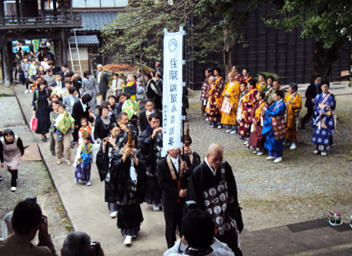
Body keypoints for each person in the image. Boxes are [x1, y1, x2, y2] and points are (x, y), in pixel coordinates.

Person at [187, 143, 243, 255]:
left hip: (226, 216)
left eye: (220, 159)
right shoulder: (198, 173)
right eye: (215, 159)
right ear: (207, 156)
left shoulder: (225, 167)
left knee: (232, 248)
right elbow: (196, 200)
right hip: (209, 220)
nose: (218, 162)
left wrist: (235, 213)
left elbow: (232, 192)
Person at [111, 133, 146, 246]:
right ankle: (127, 233)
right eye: (129, 145)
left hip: (135, 185)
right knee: (125, 208)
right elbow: (114, 168)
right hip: (123, 185)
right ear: (123, 144)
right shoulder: (118, 153)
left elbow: (143, 166)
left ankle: (134, 230)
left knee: (134, 206)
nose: (131, 148)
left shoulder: (137, 153)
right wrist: (125, 156)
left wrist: (135, 158)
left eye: (134, 145)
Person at [164, 209, 235, 256]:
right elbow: (229, 250)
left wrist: (181, 242)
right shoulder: (221, 253)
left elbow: (166, 254)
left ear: (185, 237)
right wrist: (211, 238)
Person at [158, 148, 188, 248]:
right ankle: (171, 248)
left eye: (177, 148)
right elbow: (162, 184)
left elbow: (190, 177)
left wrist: (186, 169)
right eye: (172, 148)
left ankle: (184, 247)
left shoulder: (184, 159)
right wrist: (177, 192)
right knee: (170, 227)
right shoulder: (162, 164)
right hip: (170, 200)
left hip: (183, 200)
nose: (175, 150)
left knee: (183, 226)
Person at [138, 112, 163, 211]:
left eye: (157, 122)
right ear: (149, 122)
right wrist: (152, 136)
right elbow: (142, 145)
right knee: (153, 183)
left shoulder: (162, 132)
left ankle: (162, 200)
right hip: (151, 161)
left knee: (162, 181)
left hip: (161, 159)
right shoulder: (145, 133)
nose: (156, 124)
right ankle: (155, 202)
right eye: (154, 122)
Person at [96, 123, 121, 218]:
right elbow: (101, 156)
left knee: (118, 188)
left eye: (118, 130)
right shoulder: (106, 139)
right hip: (109, 168)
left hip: (118, 168)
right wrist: (104, 146)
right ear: (110, 131)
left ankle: (119, 207)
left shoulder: (122, 139)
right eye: (115, 131)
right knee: (110, 188)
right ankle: (113, 208)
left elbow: (122, 153)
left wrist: (114, 144)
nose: (117, 132)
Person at [311, 81, 336, 156]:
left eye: (326, 87)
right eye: (323, 87)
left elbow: (332, 106)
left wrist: (324, 111)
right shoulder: (318, 96)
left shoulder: (331, 96)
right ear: (321, 87)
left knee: (325, 132)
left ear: (328, 87)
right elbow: (315, 106)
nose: (324, 88)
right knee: (317, 132)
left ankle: (324, 149)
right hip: (318, 116)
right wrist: (319, 111)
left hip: (326, 116)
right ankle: (316, 148)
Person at [261, 90, 286, 163]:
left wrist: (267, 111)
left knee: (277, 140)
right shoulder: (276, 103)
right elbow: (271, 109)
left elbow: (276, 113)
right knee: (270, 138)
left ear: (279, 96)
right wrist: (267, 108)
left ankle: (279, 156)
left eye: (275, 96)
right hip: (272, 123)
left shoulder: (282, 105)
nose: (274, 97)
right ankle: (272, 154)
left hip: (277, 124)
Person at [284, 82, 302, 150]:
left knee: (293, 128)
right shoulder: (287, 95)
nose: (288, 89)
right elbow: (284, 102)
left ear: (294, 89)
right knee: (286, 127)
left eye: (289, 88)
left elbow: (298, 106)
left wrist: (290, 105)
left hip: (293, 115)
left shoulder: (298, 97)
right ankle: (286, 139)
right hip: (287, 114)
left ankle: (293, 142)